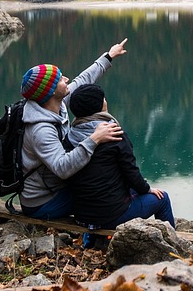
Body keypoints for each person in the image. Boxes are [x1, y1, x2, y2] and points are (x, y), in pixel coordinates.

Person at [17, 38, 128, 220]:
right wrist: (95, 138)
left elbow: (83, 79)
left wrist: (109, 56)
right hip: (43, 201)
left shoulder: (55, 103)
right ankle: (95, 237)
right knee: (107, 195)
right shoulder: (40, 130)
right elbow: (62, 168)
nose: (66, 79)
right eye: (61, 79)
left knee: (106, 186)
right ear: (51, 91)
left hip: (55, 186)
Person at [64, 83, 174, 231]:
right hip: (110, 217)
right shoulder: (114, 135)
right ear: (99, 106)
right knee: (162, 199)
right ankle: (173, 247)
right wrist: (147, 189)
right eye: (103, 99)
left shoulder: (70, 135)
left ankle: (91, 239)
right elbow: (131, 172)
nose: (105, 101)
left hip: (81, 216)